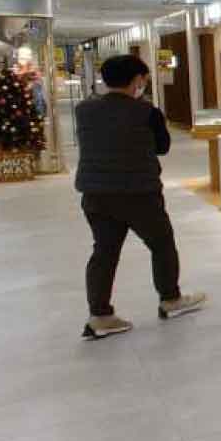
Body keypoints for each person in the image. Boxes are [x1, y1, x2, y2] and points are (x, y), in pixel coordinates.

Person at [73, 54, 206, 339]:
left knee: (104, 252)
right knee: (162, 244)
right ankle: (170, 299)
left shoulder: (83, 109)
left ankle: (100, 315)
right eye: (143, 79)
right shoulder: (147, 112)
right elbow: (162, 147)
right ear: (136, 80)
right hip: (138, 192)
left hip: (95, 194)